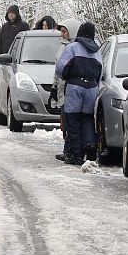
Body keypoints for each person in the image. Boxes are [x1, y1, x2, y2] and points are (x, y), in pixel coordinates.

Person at [55, 22, 102, 165]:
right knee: (87, 119)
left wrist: (68, 77)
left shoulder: (72, 48)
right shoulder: (97, 51)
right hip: (92, 88)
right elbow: (100, 72)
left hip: (75, 87)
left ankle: (76, 155)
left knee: (73, 120)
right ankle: (90, 144)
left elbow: (61, 68)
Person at [50, 19, 81, 161]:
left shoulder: (76, 48)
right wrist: (54, 88)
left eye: (64, 31)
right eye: (61, 31)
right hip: (63, 91)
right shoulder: (62, 48)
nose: (61, 34)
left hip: (72, 91)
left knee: (71, 123)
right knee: (65, 123)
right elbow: (57, 70)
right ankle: (67, 149)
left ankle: (72, 151)